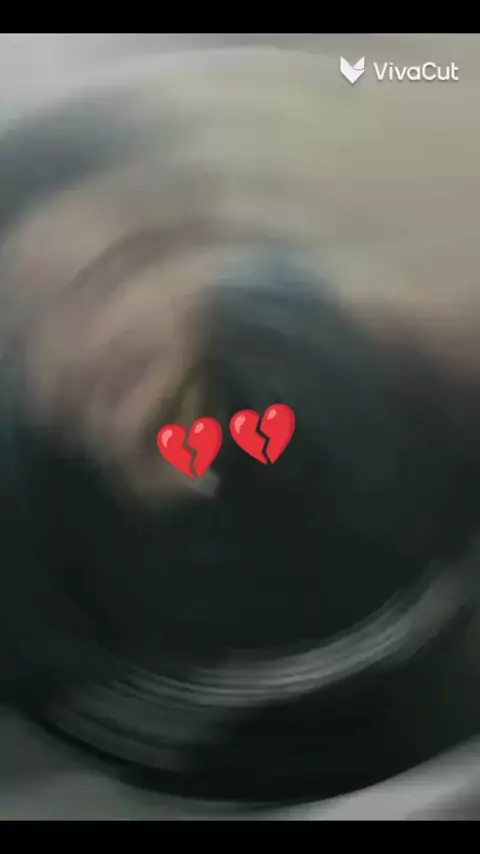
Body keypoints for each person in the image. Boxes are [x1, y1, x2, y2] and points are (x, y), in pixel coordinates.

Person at [1, 47, 480, 807]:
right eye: (38, 313)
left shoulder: (339, 357)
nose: (99, 334)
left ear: (195, 259)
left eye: (125, 269)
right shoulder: (31, 560)